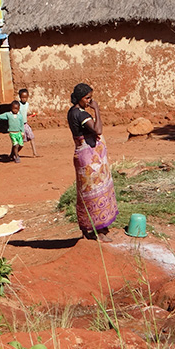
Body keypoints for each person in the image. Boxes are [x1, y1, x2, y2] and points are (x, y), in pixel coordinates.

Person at [67, 83, 119, 242]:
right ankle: (99, 232)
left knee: (86, 194)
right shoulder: (82, 115)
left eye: (91, 98)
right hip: (90, 160)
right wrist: (96, 110)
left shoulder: (72, 112)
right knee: (96, 192)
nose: (90, 101)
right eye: (87, 98)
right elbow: (97, 130)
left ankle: (87, 229)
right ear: (79, 98)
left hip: (83, 156)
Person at [18, 88, 38, 157]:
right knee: (21, 142)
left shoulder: (27, 104)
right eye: (22, 97)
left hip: (25, 124)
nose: (24, 99)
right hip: (20, 125)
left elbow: (24, 113)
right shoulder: (18, 105)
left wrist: (30, 114)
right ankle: (14, 153)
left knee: (32, 137)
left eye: (25, 97)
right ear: (20, 97)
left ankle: (35, 153)